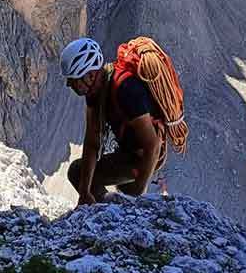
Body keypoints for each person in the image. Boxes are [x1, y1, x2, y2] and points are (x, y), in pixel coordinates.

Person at [61, 37, 174, 206]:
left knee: (125, 190)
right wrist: (84, 193)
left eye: (73, 79)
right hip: (128, 152)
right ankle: (108, 207)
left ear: (91, 74)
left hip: (144, 157)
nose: (69, 84)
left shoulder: (126, 89)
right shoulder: (93, 93)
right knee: (78, 172)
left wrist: (138, 194)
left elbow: (153, 145)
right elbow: (92, 142)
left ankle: (113, 208)